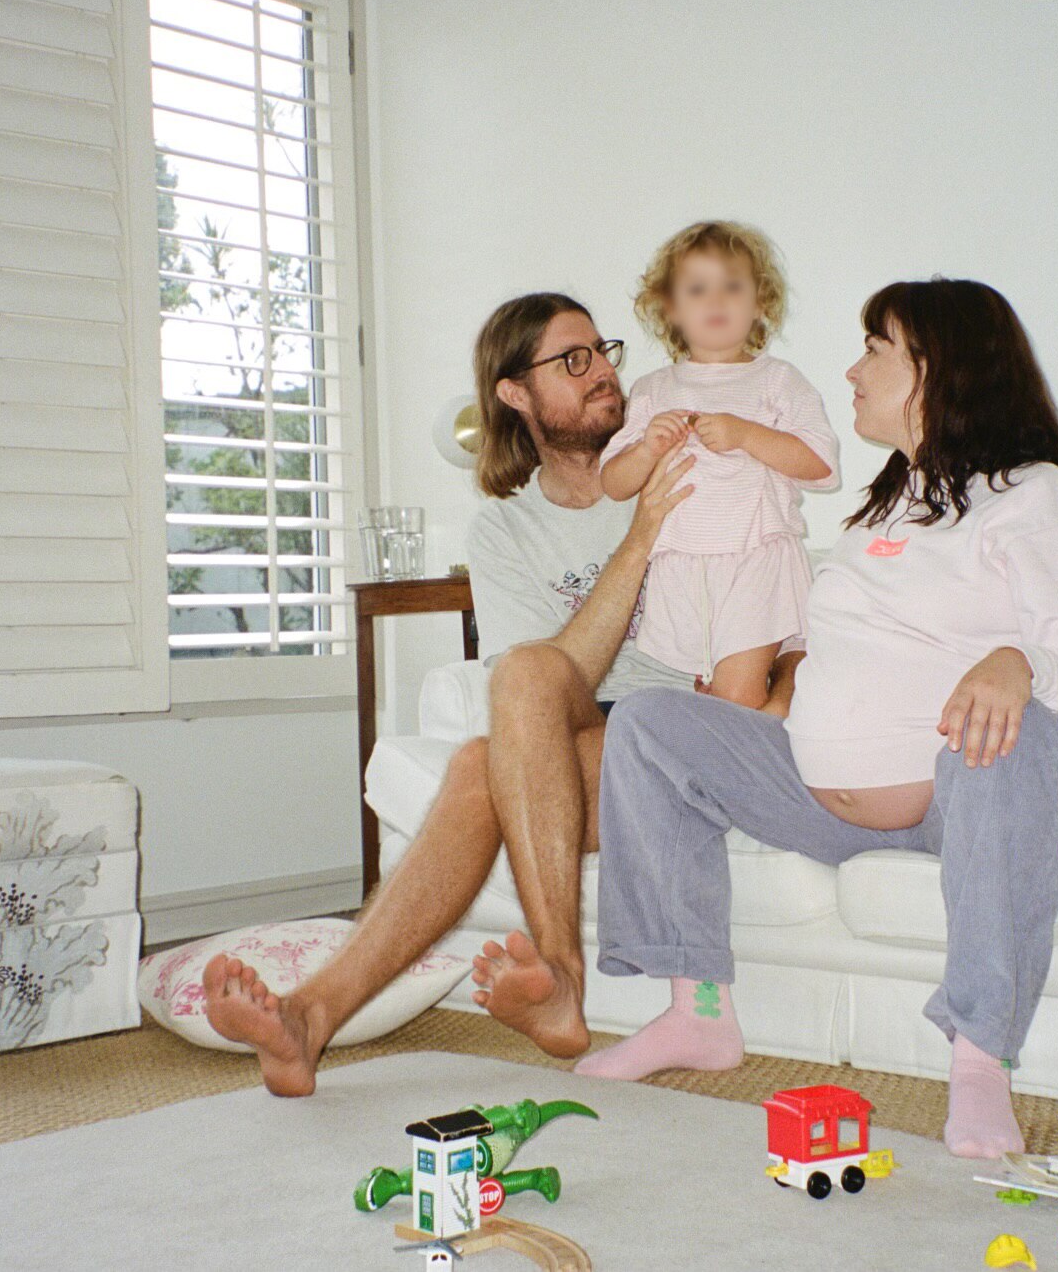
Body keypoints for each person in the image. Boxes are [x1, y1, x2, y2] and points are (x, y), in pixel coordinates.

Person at [567, 279, 1058, 1161]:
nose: (851, 368)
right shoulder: (889, 503)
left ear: (935, 369)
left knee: (1002, 745)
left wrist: (1018, 664)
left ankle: (981, 1058)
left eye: (875, 348)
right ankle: (695, 1014)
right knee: (648, 724)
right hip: (832, 792)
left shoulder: (1038, 495)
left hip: (970, 788)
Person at [199, 291, 805, 1093]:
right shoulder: (506, 532)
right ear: (515, 393)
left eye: (603, 351)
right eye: (572, 359)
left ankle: (542, 978)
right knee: (517, 690)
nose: (602, 373)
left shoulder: (694, 459)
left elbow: (785, 591)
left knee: (481, 766)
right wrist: (640, 537)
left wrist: (774, 688)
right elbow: (561, 682)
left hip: (686, 734)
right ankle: (310, 1019)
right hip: (592, 730)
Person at [599, 221, 838, 707]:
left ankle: (748, 767)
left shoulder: (777, 380)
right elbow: (614, 483)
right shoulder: (653, 389)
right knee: (710, 698)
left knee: (736, 697)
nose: (716, 301)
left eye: (732, 286)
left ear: (759, 303)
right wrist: (647, 448)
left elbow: (822, 465)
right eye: (697, 288)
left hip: (757, 556)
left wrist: (746, 434)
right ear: (670, 307)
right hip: (683, 567)